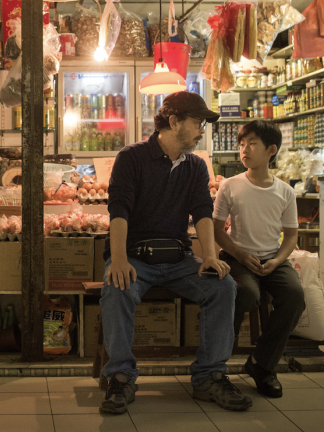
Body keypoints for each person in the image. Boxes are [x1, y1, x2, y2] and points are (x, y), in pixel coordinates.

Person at [99, 91, 252, 414]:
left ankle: (210, 376)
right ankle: (121, 377)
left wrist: (209, 256)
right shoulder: (132, 157)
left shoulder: (195, 166)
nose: (201, 130)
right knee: (117, 287)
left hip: (178, 258)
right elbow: (119, 212)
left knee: (222, 287)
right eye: (197, 122)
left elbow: (202, 214)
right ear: (173, 121)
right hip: (135, 256)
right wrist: (120, 260)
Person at [213, 120, 305, 399]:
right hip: (237, 257)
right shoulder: (229, 185)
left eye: (252, 143)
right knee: (246, 293)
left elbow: (290, 236)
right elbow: (217, 230)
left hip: (272, 259)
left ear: (271, 150)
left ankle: (262, 365)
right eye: (241, 144)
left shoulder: (285, 191)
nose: (244, 150)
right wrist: (241, 254)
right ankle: (216, 365)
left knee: (294, 296)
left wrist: (277, 261)